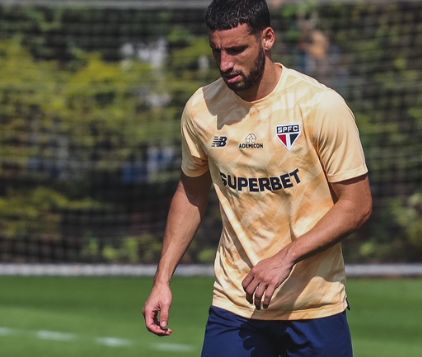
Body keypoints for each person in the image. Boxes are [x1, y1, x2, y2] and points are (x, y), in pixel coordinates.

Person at [142, 1, 372, 356]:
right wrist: (162, 280)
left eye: (236, 50)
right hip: (235, 306)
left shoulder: (319, 106)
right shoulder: (201, 110)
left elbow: (357, 206)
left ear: (267, 39)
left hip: (314, 306)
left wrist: (285, 258)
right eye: (217, 51)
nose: (225, 64)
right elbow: (191, 194)